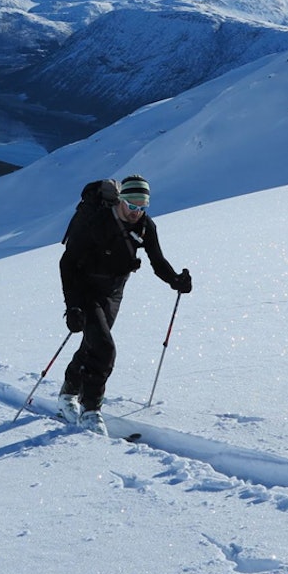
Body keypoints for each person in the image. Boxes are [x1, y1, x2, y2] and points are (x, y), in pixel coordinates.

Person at [58, 174, 191, 433]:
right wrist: (72, 306)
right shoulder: (97, 223)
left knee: (92, 345)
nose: (136, 212)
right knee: (105, 348)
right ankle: (90, 411)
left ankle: (67, 395)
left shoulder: (145, 226)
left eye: (142, 207)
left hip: (114, 292)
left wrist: (176, 280)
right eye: (132, 206)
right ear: (121, 201)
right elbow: (67, 263)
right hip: (86, 288)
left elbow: (157, 260)